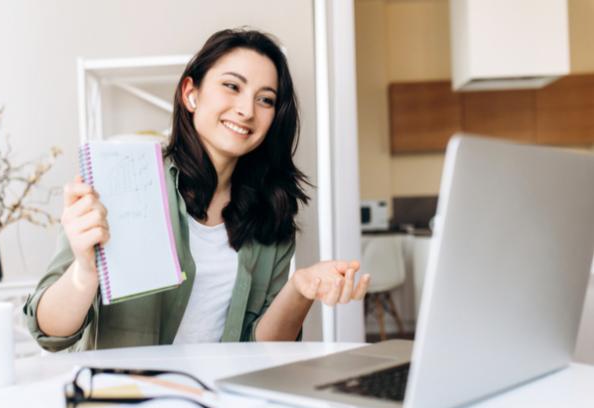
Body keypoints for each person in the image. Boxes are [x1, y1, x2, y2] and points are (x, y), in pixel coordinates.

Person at [23, 28, 370, 352]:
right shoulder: (125, 180)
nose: (246, 110)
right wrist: (85, 272)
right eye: (232, 86)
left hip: (220, 404)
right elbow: (50, 333)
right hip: (128, 404)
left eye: (265, 99)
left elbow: (260, 349)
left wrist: (299, 289)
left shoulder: (271, 211)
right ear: (191, 93)